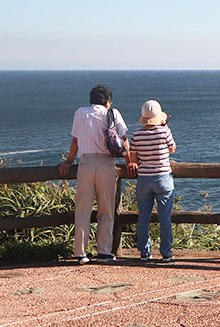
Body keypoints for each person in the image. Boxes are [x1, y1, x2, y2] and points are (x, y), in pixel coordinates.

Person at [58, 84, 128, 264]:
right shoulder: (113, 113)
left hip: (86, 164)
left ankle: (80, 252)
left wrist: (69, 160)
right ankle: (104, 252)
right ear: (108, 102)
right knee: (106, 209)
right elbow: (124, 140)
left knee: (82, 209)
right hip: (106, 164)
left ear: (91, 100)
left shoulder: (80, 113)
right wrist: (130, 162)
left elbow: (75, 140)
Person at [127, 99, 177, 262]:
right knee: (165, 218)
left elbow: (134, 159)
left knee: (143, 217)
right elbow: (172, 149)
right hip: (163, 178)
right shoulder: (164, 131)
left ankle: (144, 252)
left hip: (143, 179)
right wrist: (165, 127)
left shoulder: (136, 135)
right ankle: (166, 253)